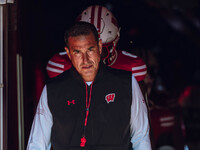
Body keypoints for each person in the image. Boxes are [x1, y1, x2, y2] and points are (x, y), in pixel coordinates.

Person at [27, 21, 151, 150]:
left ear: (99, 47)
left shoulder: (126, 83)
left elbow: (141, 137)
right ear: (68, 53)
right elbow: (37, 144)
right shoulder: (53, 89)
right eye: (77, 52)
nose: (85, 60)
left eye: (90, 49)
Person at [46, 5, 147, 83]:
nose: (94, 57)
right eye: (88, 49)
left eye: (101, 48)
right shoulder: (59, 65)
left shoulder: (132, 67)